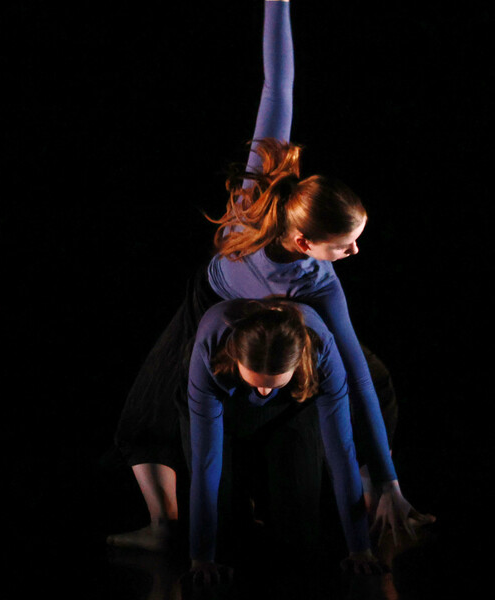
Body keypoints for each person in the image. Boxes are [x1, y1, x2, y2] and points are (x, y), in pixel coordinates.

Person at [108, 0, 432, 554]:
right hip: (211, 302)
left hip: (280, 321)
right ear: (305, 242)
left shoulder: (318, 283)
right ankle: (165, 527)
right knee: (149, 410)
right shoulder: (263, 191)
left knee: (372, 383)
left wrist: (390, 481)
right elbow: (278, 86)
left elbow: (353, 375)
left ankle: (373, 501)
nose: (355, 251)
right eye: (345, 244)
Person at [185, 299, 383, 581]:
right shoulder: (211, 347)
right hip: (225, 396)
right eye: (257, 382)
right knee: (226, 533)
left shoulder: (322, 351)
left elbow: (341, 450)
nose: (264, 392)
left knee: (300, 534)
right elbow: (206, 461)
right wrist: (201, 558)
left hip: (292, 403)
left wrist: (360, 549)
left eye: (273, 383)